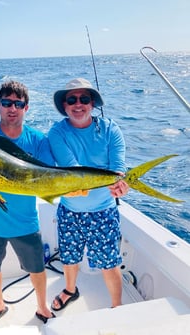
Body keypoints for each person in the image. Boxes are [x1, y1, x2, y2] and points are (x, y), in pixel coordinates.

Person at [0, 80, 56, 330]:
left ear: (26, 108)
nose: (12, 108)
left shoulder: (38, 141)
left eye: (18, 104)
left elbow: (51, 175)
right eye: (7, 103)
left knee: (37, 268)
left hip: (25, 222)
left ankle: (42, 306)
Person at [48, 78, 129, 311]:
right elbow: (74, 172)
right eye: (71, 99)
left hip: (104, 212)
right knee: (69, 257)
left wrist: (120, 184)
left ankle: (117, 306)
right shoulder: (57, 132)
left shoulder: (111, 130)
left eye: (84, 98)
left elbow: (117, 169)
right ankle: (70, 290)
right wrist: (110, 181)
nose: (78, 104)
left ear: (92, 103)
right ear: (64, 106)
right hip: (69, 210)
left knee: (109, 264)